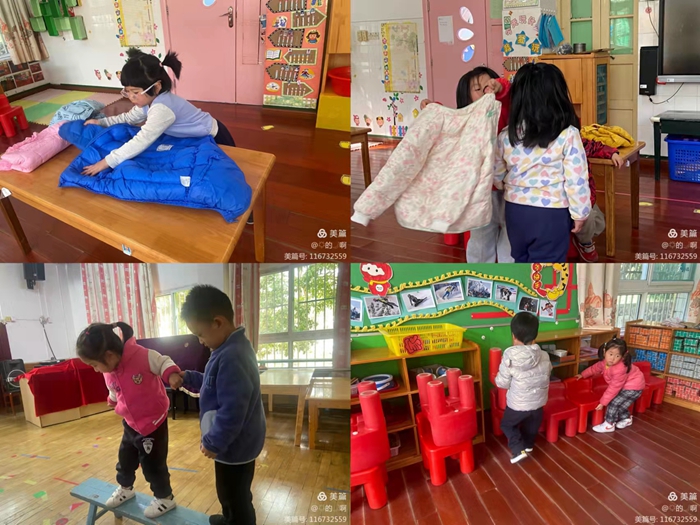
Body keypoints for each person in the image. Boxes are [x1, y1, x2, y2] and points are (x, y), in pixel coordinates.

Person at [175, 285, 266, 525]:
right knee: (230, 493)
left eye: (200, 334)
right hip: (232, 442)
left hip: (234, 445)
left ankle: (236, 521)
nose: (200, 341)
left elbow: (233, 410)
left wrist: (214, 442)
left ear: (218, 322)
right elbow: (214, 382)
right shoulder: (226, 348)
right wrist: (190, 377)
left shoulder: (232, 356)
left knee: (234, 496)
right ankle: (229, 519)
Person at [76, 321, 181, 519]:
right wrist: (112, 400)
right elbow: (114, 388)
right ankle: (126, 488)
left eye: (94, 365)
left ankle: (165, 498)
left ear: (109, 355)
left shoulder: (142, 356)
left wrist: (172, 374)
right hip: (131, 423)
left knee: (153, 465)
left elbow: (163, 362)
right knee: (125, 459)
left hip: (152, 422)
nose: (96, 370)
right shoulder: (108, 369)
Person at [82, 48, 236, 177]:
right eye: (127, 91)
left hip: (214, 136)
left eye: (135, 92)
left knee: (226, 172)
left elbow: (142, 140)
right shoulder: (147, 100)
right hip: (196, 136)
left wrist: (106, 162)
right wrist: (102, 122)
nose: (131, 97)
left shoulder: (162, 109)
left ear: (156, 87)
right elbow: (130, 117)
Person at [494, 62, 592, 262]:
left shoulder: (506, 135)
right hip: (551, 214)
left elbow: (497, 173)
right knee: (547, 269)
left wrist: (507, 186)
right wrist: (580, 213)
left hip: (515, 211)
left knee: (521, 260)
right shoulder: (568, 134)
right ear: (558, 96)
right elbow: (577, 180)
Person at [421, 66, 513, 263]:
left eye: (490, 84)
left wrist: (500, 86)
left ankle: (509, 269)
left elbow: (506, 89)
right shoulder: (466, 118)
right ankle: (479, 272)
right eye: (478, 89)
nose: (487, 90)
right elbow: (446, 119)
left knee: (510, 237)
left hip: (509, 188)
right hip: (479, 191)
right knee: (481, 238)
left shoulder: (503, 109)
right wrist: (432, 107)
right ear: (467, 97)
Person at [495, 312, 552, 463]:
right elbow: (547, 373)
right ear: (535, 336)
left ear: (513, 336)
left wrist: (497, 378)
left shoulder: (509, 357)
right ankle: (528, 445)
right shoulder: (545, 355)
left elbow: (502, 383)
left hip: (518, 404)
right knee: (531, 426)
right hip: (538, 402)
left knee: (507, 424)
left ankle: (517, 449)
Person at [575, 338, 645, 433]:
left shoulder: (620, 369)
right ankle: (626, 419)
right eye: (610, 354)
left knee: (613, 403)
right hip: (626, 385)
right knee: (620, 404)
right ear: (605, 351)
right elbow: (595, 368)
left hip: (634, 387)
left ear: (623, 356)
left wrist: (603, 402)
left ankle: (609, 424)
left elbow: (614, 388)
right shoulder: (605, 362)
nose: (612, 358)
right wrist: (583, 374)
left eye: (617, 356)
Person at [576, 140, 625, 261]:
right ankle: (584, 242)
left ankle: (578, 236)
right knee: (586, 217)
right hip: (566, 201)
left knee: (599, 223)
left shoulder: (579, 142)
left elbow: (595, 146)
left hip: (585, 197)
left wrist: (612, 153)